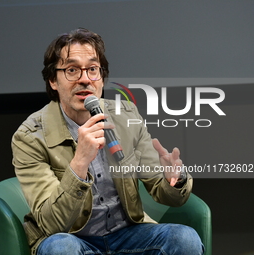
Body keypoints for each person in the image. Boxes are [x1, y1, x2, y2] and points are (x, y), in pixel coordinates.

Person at [11, 28, 204, 255]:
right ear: (53, 80)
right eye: (72, 70)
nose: (85, 79)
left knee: (185, 239)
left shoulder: (126, 115)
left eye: (93, 69)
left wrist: (175, 180)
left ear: (101, 78)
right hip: (74, 239)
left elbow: (162, 190)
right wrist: (80, 162)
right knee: (60, 248)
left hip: (128, 234)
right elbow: (50, 224)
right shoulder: (29, 137)